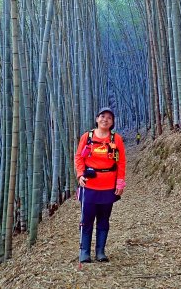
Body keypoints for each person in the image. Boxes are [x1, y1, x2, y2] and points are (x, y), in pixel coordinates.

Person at [75, 107, 126, 263]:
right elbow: (79, 158)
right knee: (87, 219)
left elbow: (121, 161)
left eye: (109, 118)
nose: (105, 119)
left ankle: (100, 251)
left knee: (104, 219)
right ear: (97, 119)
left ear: (112, 123)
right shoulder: (87, 136)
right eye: (102, 116)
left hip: (108, 186)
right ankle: (84, 251)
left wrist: (120, 182)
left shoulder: (116, 139)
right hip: (89, 185)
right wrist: (80, 174)